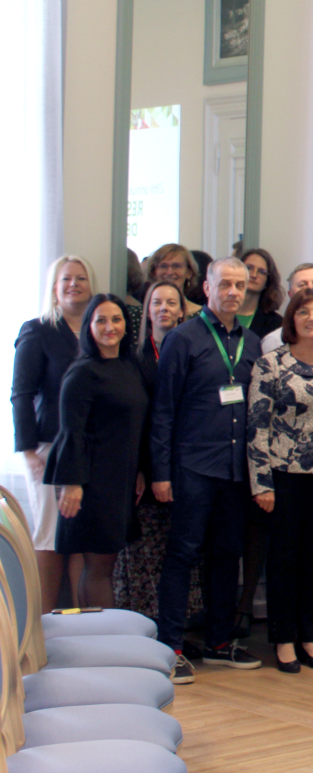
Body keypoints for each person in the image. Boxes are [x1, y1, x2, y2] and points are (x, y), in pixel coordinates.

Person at [150, 256, 264, 681]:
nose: (233, 292)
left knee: (227, 555)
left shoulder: (252, 343)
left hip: (236, 470)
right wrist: (161, 473)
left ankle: (219, 642)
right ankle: (172, 648)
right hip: (193, 466)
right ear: (207, 289)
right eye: (226, 284)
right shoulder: (183, 338)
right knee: (183, 554)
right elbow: (163, 410)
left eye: (240, 285)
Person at [247, 286, 313, 673]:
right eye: (304, 311)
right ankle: (284, 638)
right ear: (291, 317)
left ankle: (310, 635)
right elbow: (257, 427)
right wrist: (261, 483)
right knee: (284, 559)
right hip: (283, 477)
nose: (312, 318)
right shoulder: (271, 364)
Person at [50, 294, 146, 609]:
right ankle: (100, 633)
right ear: (89, 327)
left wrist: (140, 469)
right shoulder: (82, 373)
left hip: (120, 480)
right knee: (99, 567)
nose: (109, 327)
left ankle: (97, 629)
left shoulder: (129, 366)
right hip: (93, 483)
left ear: (126, 325)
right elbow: (71, 432)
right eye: (101, 320)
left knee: (106, 565)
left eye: (116, 319)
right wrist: (72, 483)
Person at [12, 254, 95, 605]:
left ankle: (80, 620)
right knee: (49, 536)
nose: (74, 284)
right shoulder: (38, 330)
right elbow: (21, 393)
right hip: (48, 448)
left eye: (81, 278)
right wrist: (28, 451)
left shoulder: (98, 330)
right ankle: (43, 623)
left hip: (90, 449)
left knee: (80, 539)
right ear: (54, 289)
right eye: (66, 279)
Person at [115, 279, 187, 617]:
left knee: (179, 548)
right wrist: (142, 468)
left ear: (182, 311)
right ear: (146, 311)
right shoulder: (133, 356)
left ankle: (176, 620)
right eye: (157, 302)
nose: (164, 309)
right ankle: (143, 619)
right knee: (144, 548)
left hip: (184, 463)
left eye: (171, 303)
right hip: (143, 464)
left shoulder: (191, 350)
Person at [233, 248, 284, 338]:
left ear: (268, 281)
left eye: (262, 272)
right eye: (249, 268)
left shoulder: (276, 323)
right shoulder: (220, 313)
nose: (254, 275)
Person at [145, 244, 203, 317]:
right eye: (163, 266)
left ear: (189, 272)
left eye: (176, 266)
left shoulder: (202, 316)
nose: (169, 272)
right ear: (154, 272)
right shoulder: (141, 314)